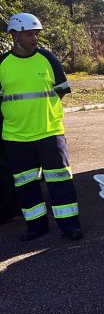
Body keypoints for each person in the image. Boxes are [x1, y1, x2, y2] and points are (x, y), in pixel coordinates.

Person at [0, 13, 82, 241]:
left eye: (36, 34)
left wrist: (45, 114)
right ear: (14, 35)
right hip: (16, 136)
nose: (34, 38)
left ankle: (70, 226)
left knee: (61, 181)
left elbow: (62, 90)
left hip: (49, 132)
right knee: (26, 185)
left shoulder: (48, 59)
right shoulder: (2, 64)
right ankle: (37, 226)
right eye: (29, 34)